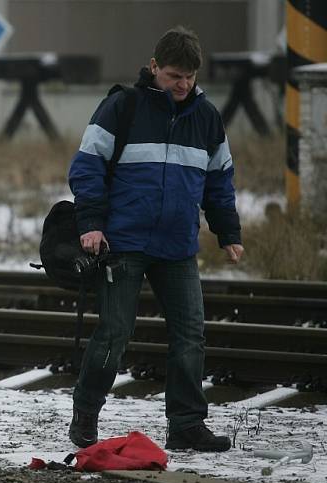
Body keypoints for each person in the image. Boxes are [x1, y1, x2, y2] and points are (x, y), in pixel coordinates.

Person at [66, 26, 244, 452]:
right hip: (123, 244)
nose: (182, 85)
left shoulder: (206, 118)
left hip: (178, 247)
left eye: (189, 77)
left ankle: (186, 425)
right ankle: (85, 415)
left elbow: (219, 180)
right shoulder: (121, 107)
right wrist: (90, 223)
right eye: (172, 75)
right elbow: (87, 167)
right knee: (114, 333)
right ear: (153, 68)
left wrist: (228, 232)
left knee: (190, 335)